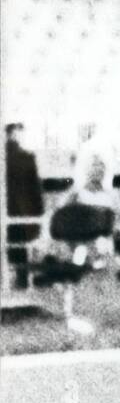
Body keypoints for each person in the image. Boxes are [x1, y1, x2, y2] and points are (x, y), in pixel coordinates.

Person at [4, 123, 44, 290]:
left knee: (9, 245)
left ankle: (12, 278)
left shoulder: (9, 157)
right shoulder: (26, 158)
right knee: (21, 245)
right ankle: (22, 278)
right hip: (21, 209)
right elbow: (35, 188)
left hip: (8, 207)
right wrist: (39, 211)